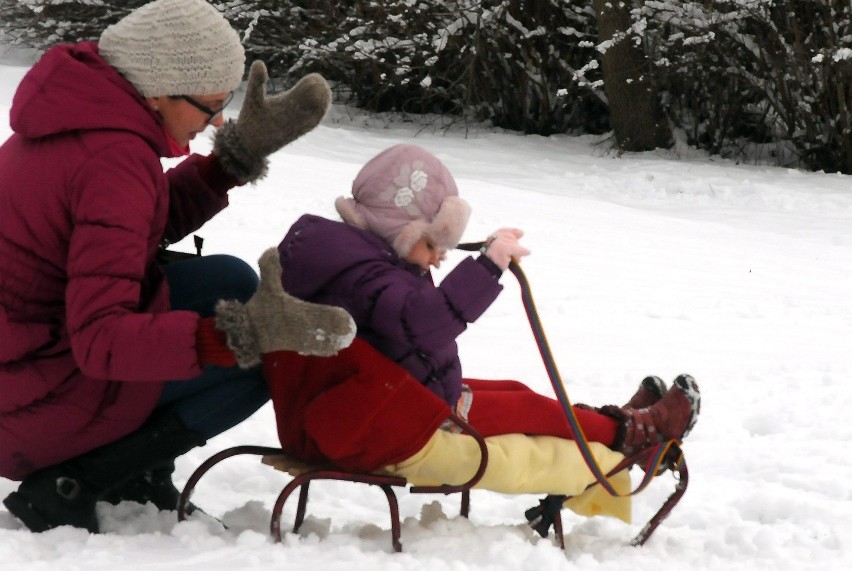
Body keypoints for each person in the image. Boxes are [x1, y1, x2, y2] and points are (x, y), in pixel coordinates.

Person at [0, 0, 355, 534]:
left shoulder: (86, 121)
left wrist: (230, 161)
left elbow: (126, 227)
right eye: (210, 105)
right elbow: (102, 341)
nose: (215, 121)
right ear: (159, 89)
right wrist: (240, 336)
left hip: (26, 356)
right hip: (29, 396)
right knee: (259, 360)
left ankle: (129, 465)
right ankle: (80, 481)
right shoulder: (113, 161)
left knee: (229, 281)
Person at [262, 143, 700, 516]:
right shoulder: (368, 279)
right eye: (432, 242)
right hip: (381, 423)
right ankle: (635, 437)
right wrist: (487, 268)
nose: (439, 257)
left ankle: (609, 424)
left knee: (514, 389)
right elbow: (424, 322)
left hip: (370, 401)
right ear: (399, 228)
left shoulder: (347, 260)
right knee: (529, 409)